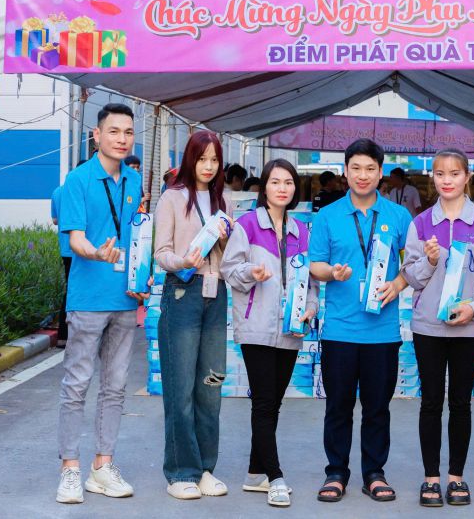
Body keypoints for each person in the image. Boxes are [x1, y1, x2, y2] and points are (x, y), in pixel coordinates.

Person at [402, 149, 474, 507]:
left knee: (461, 403)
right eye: (440, 173)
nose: (447, 180)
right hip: (428, 328)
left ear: (467, 176)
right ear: (433, 178)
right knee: (431, 402)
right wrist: (429, 262)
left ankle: (456, 477)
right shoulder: (419, 225)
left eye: (454, 173)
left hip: (469, 329)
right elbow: (411, 278)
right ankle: (431, 478)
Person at [309, 138, 412, 504]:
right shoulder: (328, 216)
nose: (363, 175)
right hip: (339, 329)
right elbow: (314, 263)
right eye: (356, 168)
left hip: (382, 332)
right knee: (337, 405)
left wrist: (398, 284)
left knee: (377, 407)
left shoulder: (399, 217)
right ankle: (336, 472)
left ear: (381, 172)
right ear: (346, 171)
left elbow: (413, 264)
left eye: (370, 169)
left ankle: (374, 473)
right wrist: (331, 273)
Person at [56, 103, 148, 504]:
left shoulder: (135, 181)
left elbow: (139, 237)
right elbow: (75, 238)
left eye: (128, 132)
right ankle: (70, 469)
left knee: (114, 386)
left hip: (126, 300)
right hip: (88, 299)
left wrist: (141, 276)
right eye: (114, 131)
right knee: (76, 385)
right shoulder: (78, 180)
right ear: (97, 135)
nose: (122, 139)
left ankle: (102, 465)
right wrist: (96, 253)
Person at [221, 158, 318, 507]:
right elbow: (229, 270)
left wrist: (311, 308)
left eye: (288, 182)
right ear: (264, 187)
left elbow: (310, 283)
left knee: (273, 402)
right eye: (275, 182)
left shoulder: (301, 231)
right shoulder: (247, 225)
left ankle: (253, 472)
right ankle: (275, 476)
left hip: (291, 328)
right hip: (257, 326)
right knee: (263, 402)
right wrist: (252, 272)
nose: (282, 188)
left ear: (294, 189)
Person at [154, 130, 231, 500]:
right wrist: (183, 261)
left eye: (214, 160)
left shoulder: (223, 200)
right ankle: (180, 470)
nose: (208, 166)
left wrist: (229, 240)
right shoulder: (172, 198)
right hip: (182, 293)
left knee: (211, 386)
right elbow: (161, 252)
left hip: (216, 297)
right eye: (202, 159)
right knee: (181, 388)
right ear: (190, 159)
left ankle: (205, 468)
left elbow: (229, 257)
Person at [51, 181, 76, 349]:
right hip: (84, 250)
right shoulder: (83, 190)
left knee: (69, 290)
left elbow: (54, 220)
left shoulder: (57, 192)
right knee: (82, 291)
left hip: (65, 249)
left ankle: (63, 335)